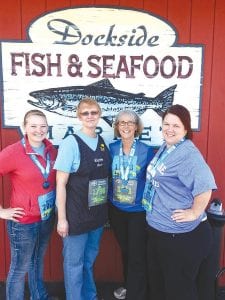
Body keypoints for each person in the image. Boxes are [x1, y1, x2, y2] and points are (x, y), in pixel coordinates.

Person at [142, 104, 217, 300]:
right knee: (161, 287)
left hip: (180, 236)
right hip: (160, 231)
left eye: (176, 125)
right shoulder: (167, 148)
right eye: (166, 124)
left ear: (186, 129)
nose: (170, 129)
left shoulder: (187, 154)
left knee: (179, 291)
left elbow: (205, 186)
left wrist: (194, 212)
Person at [54, 97, 110, 300]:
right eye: (85, 113)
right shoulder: (71, 143)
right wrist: (62, 218)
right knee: (74, 264)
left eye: (94, 112)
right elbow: (60, 183)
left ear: (99, 115)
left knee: (88, 261)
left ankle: (90, 296)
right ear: (78, 116)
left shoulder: (102, 142)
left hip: (96, 217)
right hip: (75, 217)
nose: (90, 116)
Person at [0, 109, 57, 300]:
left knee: (37, 261)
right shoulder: (13, 152)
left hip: (45, 218)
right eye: (33, 126)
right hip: (22, 223)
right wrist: (1, 211)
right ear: (24, 127)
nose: (38, 130)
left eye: (43, 126)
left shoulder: (52, 150)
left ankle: (38, 297)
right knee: (19, 268)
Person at [108, 110, 154, 300]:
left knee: (137, 254)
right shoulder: (110, 148)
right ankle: (129, 286)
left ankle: (137, 294)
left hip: (137, 211)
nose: (126, 126)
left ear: (137, 127)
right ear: (117, 127)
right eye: (122, 123)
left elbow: (152, 182)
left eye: (130, 123)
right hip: (116, 209)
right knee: (127, 250)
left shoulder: (147, 150)